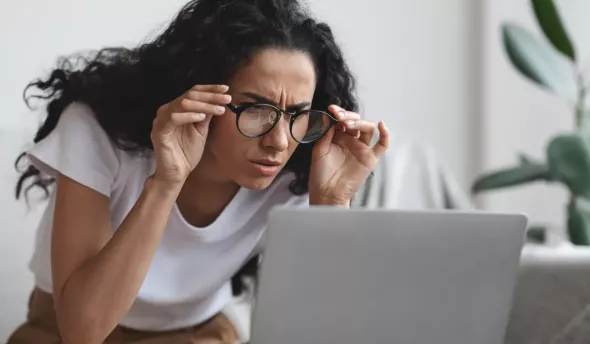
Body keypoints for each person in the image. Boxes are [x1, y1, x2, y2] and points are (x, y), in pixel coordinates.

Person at [8, 0, 389, 343]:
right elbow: (83, 330)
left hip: (195, 335)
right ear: (200, 95)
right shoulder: (96, 131)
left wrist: (332, 205)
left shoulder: (302, 165)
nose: (278, 142)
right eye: (255, 109)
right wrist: (165, 182)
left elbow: (324, 330)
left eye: (297, 114)